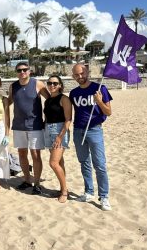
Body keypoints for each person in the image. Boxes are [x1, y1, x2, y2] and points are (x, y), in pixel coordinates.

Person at [69, 64, 112, 211]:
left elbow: (108, 112)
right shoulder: (73, 93)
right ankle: (88, 191)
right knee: (84, 162)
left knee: (99, 164)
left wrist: (99, 101)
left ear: (87, 72)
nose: (80, 77)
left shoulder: (100, 88)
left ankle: (104, 196)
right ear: (73, 76)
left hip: (94, 130)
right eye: (76, 75)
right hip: (78, 130)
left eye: (82, 73)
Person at [8, 62, 49, 195]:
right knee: (21, 153)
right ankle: (27, 180)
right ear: (16, 72)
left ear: (29, 71)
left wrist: (49, 121)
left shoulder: (38, 84)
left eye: (25, 69)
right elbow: (8, 102)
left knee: (35, 155)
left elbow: (50, 100)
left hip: (35, 125)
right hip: (18, 126)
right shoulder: (13, 86)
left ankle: (37, 183)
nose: (22, 72)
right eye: (19, 70)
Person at [43, 75, 72, 203]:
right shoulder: (47, 100)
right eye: (49, 83)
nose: (52, 85)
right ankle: (62, 188)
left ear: (60, 85)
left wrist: (60, 137)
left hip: (60, 131)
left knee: (53, 163)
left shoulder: (64, 99)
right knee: (59, 162)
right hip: (48, 130)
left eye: (55, 83)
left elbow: (68, 120)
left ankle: (65, 191)